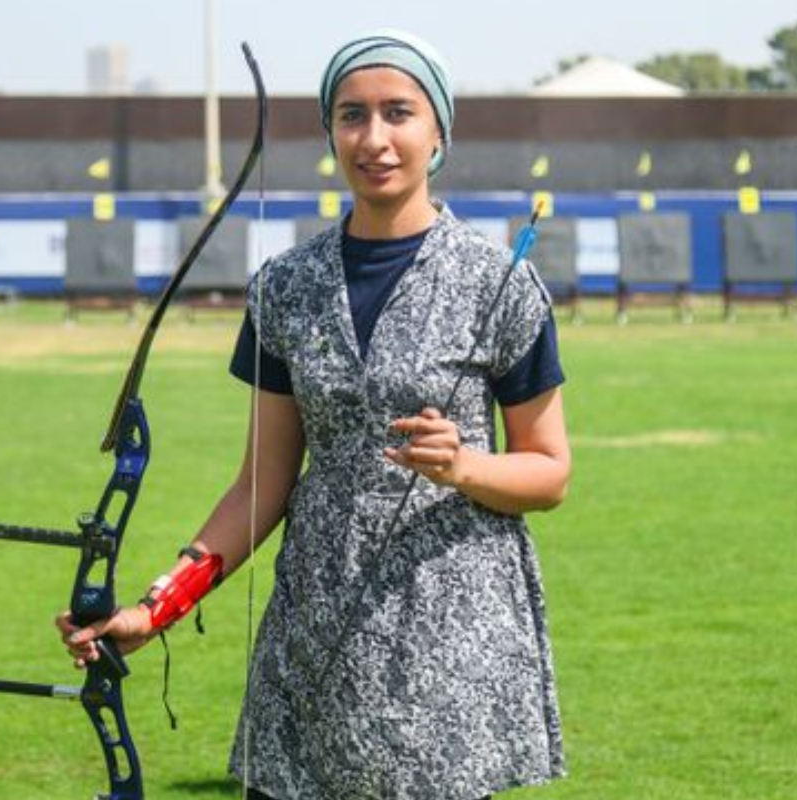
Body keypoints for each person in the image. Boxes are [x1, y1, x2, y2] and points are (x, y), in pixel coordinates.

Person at [57, 29, 571, 800]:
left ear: (439, 131)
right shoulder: (285, 287)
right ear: (329, 131)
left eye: (399, 112)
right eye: (351, 115)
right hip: (312, 622)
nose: (375, 138)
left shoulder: (497, 282)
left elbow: (549, 470)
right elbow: (260, 484)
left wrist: (465, 465)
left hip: (450, 630)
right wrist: (154, 609)